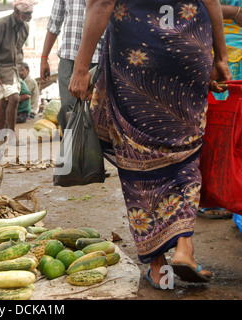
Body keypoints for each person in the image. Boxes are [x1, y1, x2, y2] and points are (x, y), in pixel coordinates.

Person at [68, 0, 232, 288]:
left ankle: (158, 267)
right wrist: (221, 56)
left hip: (138, 56)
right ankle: (185, 247)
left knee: (139, 151)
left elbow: (102, 2)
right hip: (189, 49)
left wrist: (81, 67)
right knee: (186, 147)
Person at [196, 1, 242, 219]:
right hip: (216, 57)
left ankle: (231, 191)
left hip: (232, 59)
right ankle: (212, 193)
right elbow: (197, 6)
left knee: (236, 135)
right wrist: (235, 13)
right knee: (216, 129)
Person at [40, 0, 103, 135]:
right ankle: (73, 150)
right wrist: (44, 58)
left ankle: (93, 152)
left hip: (99, 57)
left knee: (97, 110)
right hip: (69, 57)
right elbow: (54, 23)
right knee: (68, 108)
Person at [0, 0, 37, 149]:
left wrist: (20, 67)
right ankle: (11, 137)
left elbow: (19, 48)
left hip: (14, 67)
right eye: (27, 13)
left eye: (31, 13)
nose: (30, 16)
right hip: (0, 67)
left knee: (3, 105)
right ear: (17, 11)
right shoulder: (1, 24)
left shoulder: (25, 27)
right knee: (14, 97)